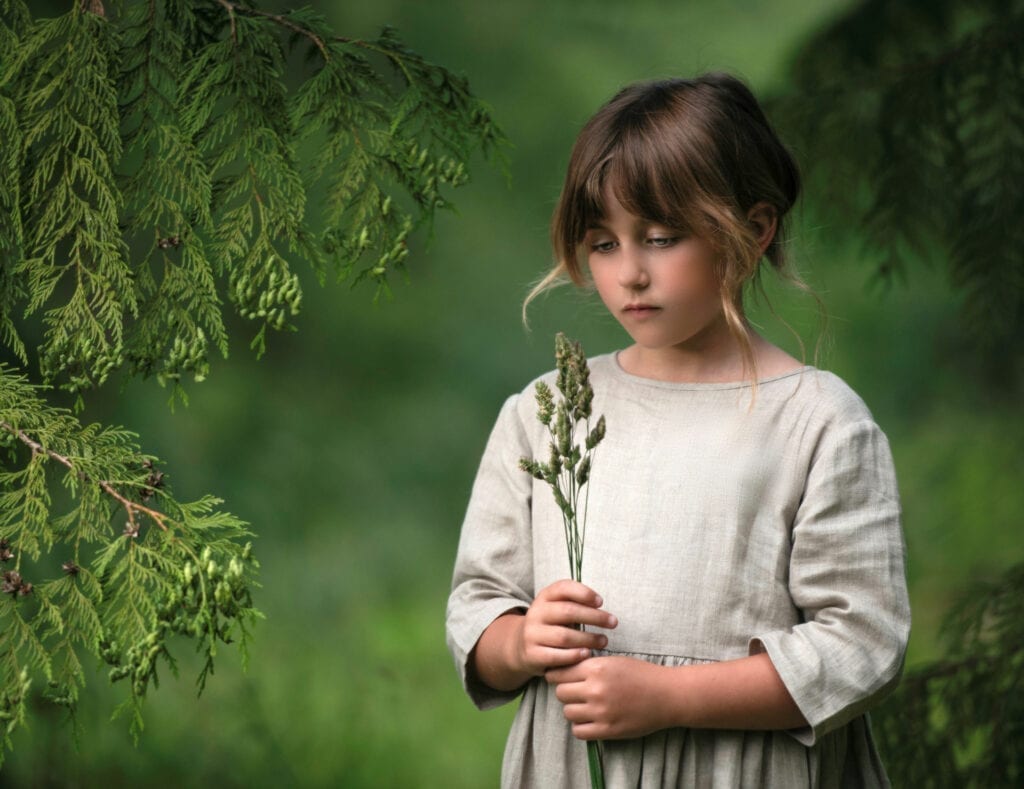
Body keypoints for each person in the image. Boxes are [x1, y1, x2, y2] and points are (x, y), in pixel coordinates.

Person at [445, 72, 910, 788]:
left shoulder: (819, 422)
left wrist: (670, 697)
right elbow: (479, 607)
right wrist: (521, 640)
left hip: (746, 768)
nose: (629, 273)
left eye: (661, 238)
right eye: (603, 244)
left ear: (752, 232)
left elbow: (863, 642)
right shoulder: (550, 414)